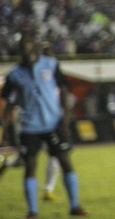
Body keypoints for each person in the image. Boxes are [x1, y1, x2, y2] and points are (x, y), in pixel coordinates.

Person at [1, 32, 88, 218]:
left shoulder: (51, 65)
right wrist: (4, 126)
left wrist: (66, 117)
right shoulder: (15, 74)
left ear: (35, 47)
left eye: (29, 47)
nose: (27, 51)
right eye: (23, 49)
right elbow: (10, 102)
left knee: (65, 162)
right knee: (30, 166)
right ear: (20, 51)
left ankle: (74, 206)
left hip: (54, 123)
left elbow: (64, 90)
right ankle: (32, 211)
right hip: (29, 127)